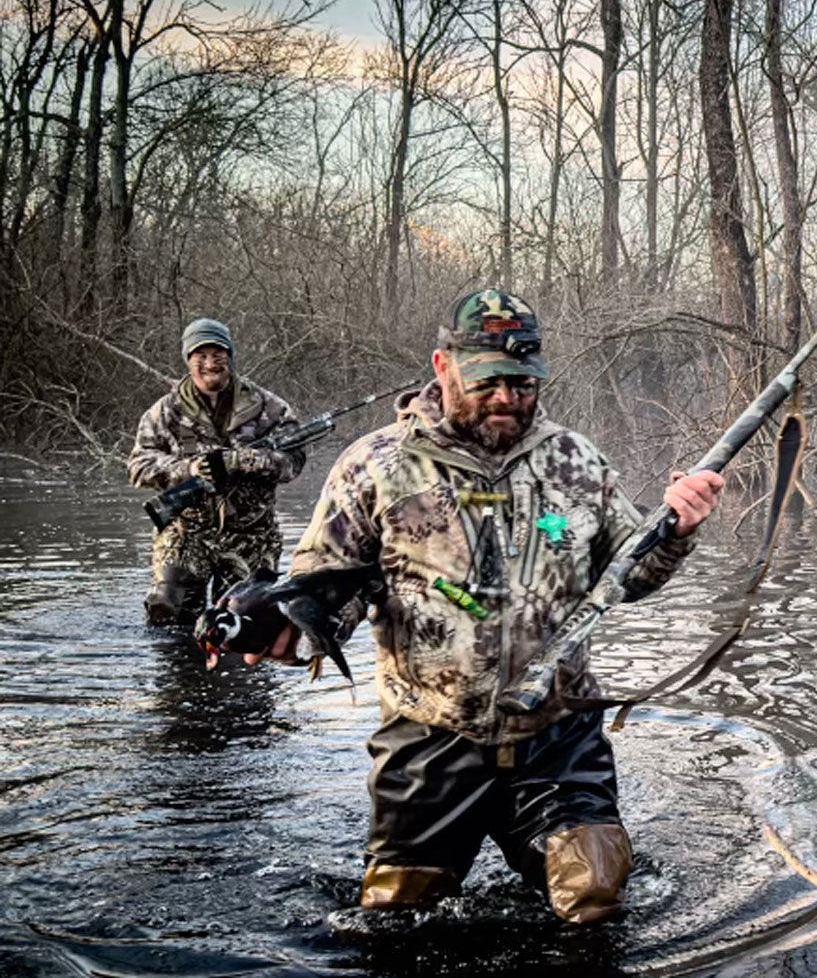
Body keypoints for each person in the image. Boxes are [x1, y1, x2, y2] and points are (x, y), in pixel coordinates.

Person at [240, 288, 724, 925]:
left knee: (597, 896)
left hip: (557, 735)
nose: (507, 398)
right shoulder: (376, 465)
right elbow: (328, 586)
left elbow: (628, 579)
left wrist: (678, 531)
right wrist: (291, 627)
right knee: (395, 921)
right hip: (431, 741)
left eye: (522, 383)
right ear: (443, 368)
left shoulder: (574, 461)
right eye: (488, 381)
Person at [128, 318, 304, 624]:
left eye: (218, 355)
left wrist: (248, 461)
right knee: (168, 613)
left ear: (230, 357)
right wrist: (189, 468)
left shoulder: (270, 407)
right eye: (201, 356)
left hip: (252, 534)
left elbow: (294, 462)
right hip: (186, 532)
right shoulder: (164, 412)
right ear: (188, 361)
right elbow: (138, 467)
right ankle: (182, 670)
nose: (210, 363)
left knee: (244, 624)